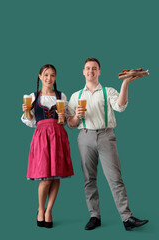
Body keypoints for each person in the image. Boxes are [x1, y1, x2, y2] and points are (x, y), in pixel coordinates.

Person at [67, 58, 148, 231]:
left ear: (99, 72)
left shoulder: (108, 91)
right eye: (88, 68)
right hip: (85, 136)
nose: (91, 71)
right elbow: (71, 124)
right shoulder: (76, 96)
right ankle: (94, 216)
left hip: (106, 135)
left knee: (115, 178)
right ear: (83, 71)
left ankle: (127, 218)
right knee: (89, 179)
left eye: (94, 68)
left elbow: (120, 106)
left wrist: (125, 83)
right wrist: (76, 116)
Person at [21, 64, 74, 228]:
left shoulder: (61, 95)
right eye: (46, 75)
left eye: (52, 75)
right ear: (39, 76)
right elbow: (30, 122)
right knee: (45, 177)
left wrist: (63, 116)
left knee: (56, 175)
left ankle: (49, 211)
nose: (49, 78)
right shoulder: (33, 96)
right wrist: (26, 111)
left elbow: (66, 122)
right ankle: (40, 209)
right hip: (42, 136)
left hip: (58, 135)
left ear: (55, 78)